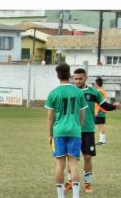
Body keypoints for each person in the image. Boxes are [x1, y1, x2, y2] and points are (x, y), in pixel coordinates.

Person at [64, 69, 121, 193]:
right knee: (72, 157)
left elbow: (104, 105)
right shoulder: (69, 91)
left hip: (88, 129)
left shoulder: (94, 92)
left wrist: (114, 106)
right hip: (73, 129)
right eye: (76, 79)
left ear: (86, 78)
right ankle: (69, 181)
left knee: (88, 157)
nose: (78, 81)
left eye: (80, 78)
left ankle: (87, 183)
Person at [45, 63, 87, 198]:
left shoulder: (53, 93)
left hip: (59, 132)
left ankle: (60, 196)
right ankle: (75, 196)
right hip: (75, 131)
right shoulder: (79, 92)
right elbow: (82, 115)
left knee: (60, 164)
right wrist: (78, 127)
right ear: (69, 75)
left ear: (58, 76)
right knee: (73, 164)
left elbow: (50, 117)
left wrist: (50, 135)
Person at [94, 77, 108, 145]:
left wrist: (97, 110)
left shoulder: (99, 91)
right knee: (100, 125)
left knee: (101, 125)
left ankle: (102, 141)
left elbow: (101, 102)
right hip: (101, 110)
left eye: (95, 83)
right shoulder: (103, 90)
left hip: (100, 111)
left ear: (96, 84)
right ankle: (102, 140)